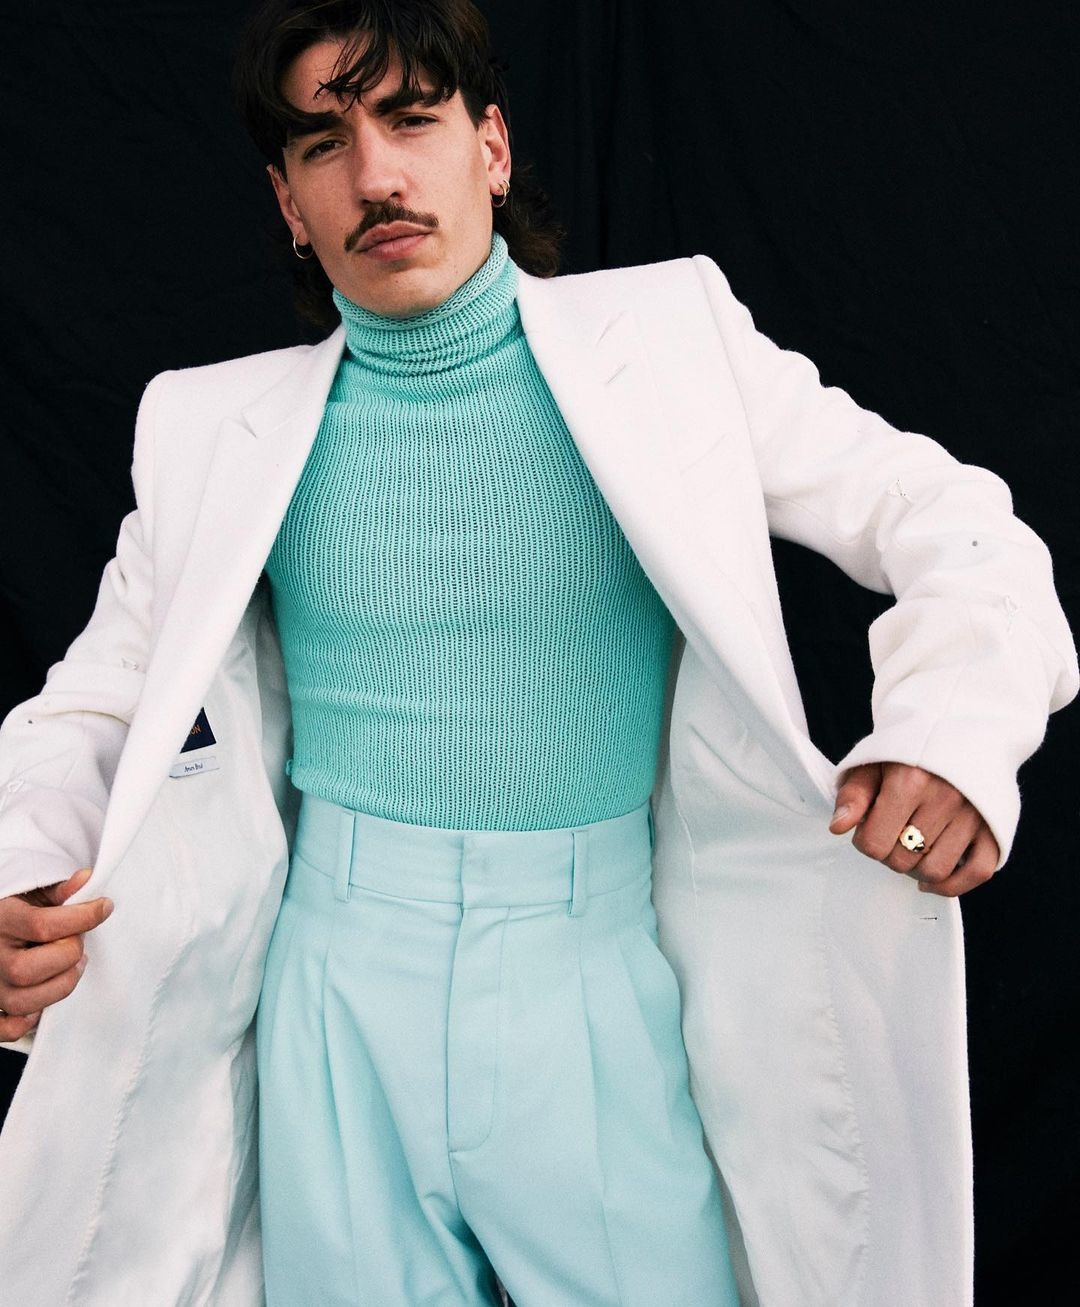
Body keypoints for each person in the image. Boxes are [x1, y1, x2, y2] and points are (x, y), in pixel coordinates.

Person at [0, 1, 1074, 1303]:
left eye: (412, 119)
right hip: (328, 997)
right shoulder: (209, 428)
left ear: (492, 147)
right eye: (324, 145)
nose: (377, 175)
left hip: (594, 987)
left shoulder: (672, 345)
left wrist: (950, 735)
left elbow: (951, 524)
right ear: (287, 202)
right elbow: (95, 698)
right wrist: (18, 867)